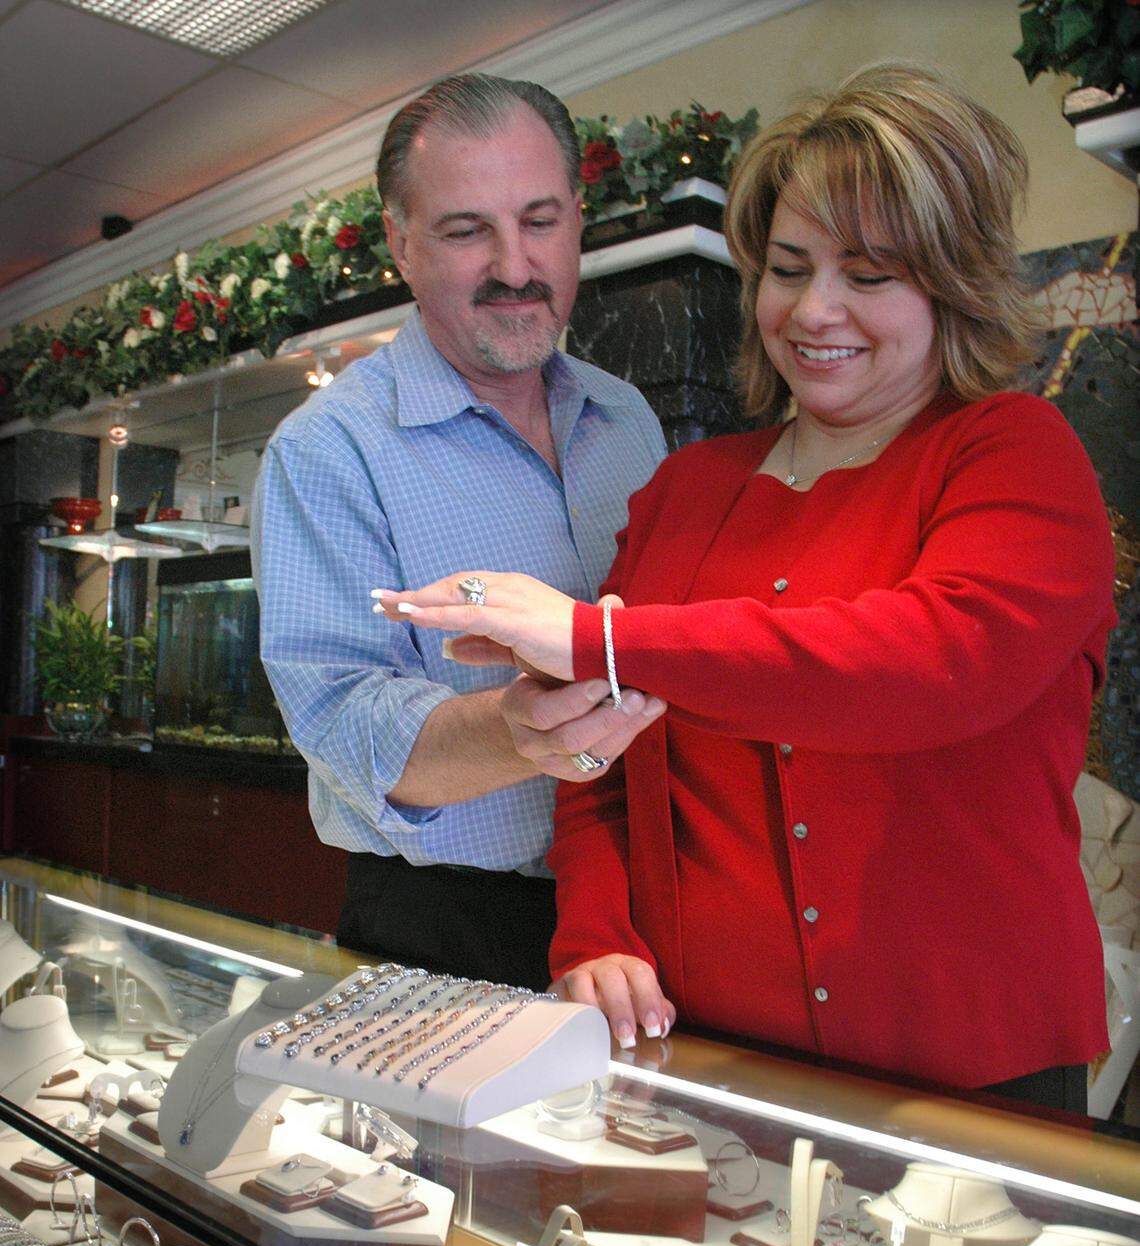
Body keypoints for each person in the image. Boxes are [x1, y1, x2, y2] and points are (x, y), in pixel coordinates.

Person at [374, 62, 1117, 1110]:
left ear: (951, 282)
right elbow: (602, 759)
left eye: (868, 274)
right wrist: (595, 931)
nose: (814, 310)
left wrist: (593, 637)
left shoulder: (1013, 451)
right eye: (788, 266)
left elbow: (926, 665)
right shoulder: (685, 490)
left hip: (972, 1073)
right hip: (708, 1058)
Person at [253, 74, 667, 992]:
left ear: (578, 220)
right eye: (467, 230)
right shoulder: (325, 449)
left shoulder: (628, 417)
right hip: (442, 925)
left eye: (540, 220)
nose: (516, 266)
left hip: (640, 912)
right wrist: (515, 731)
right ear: (400, 242)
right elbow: (340, 716)